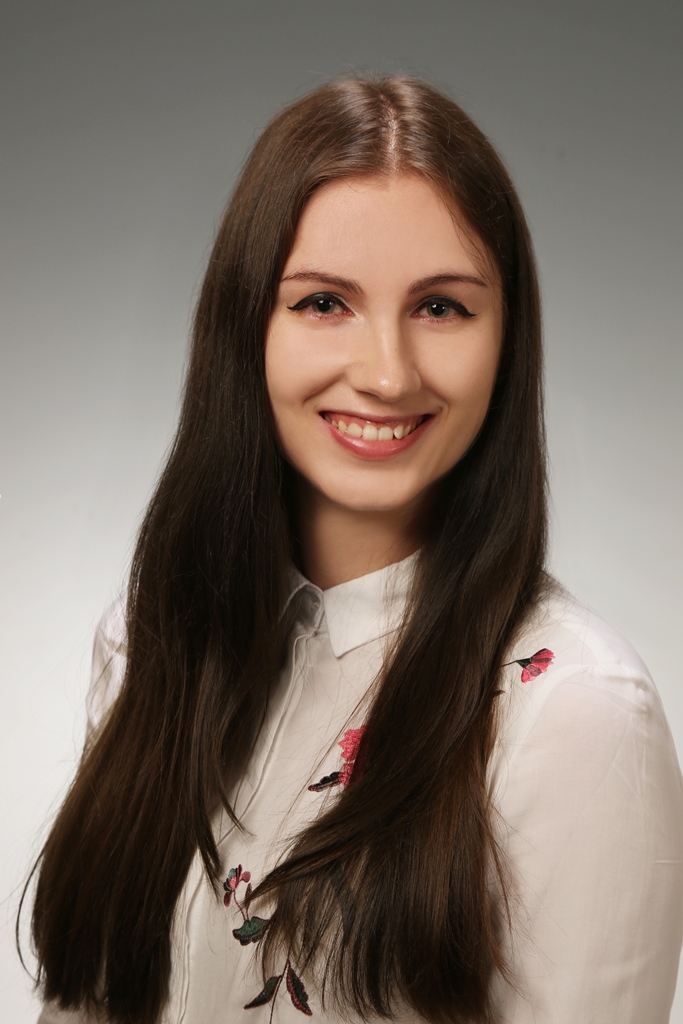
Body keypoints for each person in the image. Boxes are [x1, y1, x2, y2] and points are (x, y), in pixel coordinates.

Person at [28, 76, 683, 1024]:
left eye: (440, 308)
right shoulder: (148, 644)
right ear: (244, 326)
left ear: (508, 341)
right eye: (324, 301)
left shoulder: (575, 715)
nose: (385, 373)